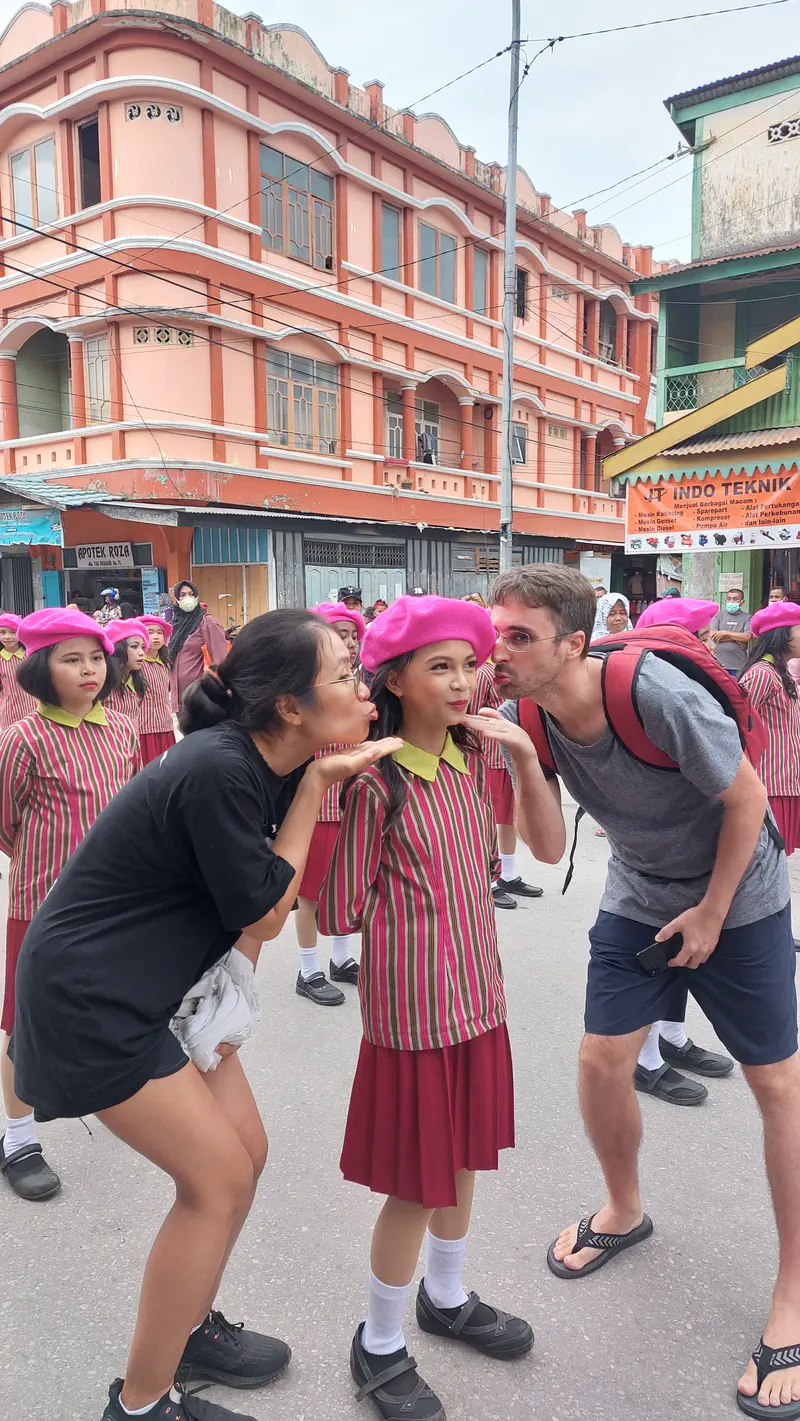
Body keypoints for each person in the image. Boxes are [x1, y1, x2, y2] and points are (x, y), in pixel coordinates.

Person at [9, 608, 401, 1421]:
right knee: (214, 1179)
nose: (360, 688)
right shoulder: (222, 767)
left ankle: (185, 1328)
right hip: (93, 994)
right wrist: (323, 786)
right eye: (343, 675)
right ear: (290, 704)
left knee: (245, 1153)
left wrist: (226, 1021)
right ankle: (144, 1402)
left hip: (162, 988)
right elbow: (262, 911)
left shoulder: (275, 758)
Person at [472, 565, 800, 1419]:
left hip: (743, 894)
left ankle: (794, 1293)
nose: (497, 653)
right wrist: (519, 755)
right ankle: (624, 1206)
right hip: (640, 893)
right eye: (494, 631)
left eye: (519, 637)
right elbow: (545, 851)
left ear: (573, 644)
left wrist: (712, 915)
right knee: (600, 1060)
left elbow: (746, 799)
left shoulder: (651, 694)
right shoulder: (528, 711)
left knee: (776, 1085)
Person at [320, 595, 533, 1421]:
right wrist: (324, 799)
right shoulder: (377, 782)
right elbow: (338, 910)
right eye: (438, 665)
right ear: (395, 678)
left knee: (467, 1155)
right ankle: (377, 1342)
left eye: (467, 663)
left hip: (478, 998)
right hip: (412, 1013)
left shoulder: (468, 763)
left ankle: (445, 1295)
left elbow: (499, 865)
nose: (461, 679)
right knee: (416, 1181)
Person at [0, 608, 139, 1202]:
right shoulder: (23, 738)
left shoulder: (122, 728)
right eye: (70, 658)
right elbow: (5, 822)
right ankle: (17, 1138)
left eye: (94, 657)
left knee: (105, 1005)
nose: (88, 670)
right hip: (43, 904)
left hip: (113, 903)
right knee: (22, 1020)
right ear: (39, 668)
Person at [624, 597, 734, 1105]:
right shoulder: (653, 697)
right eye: (704, 634)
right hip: (655, 861)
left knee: (684, 954)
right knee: (654, 953)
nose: (711, 642)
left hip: (696, 853)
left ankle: (672, 1038)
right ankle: (644, 1061)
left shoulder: (690, 689)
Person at [294, 601, 365, 1007]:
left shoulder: (361, 683)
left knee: (345, 887)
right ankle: (308, 969)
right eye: (340, 634)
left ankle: (341, 959)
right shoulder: (307, 688)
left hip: (355, 802)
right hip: (319, 805)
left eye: (354, 635)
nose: (350, 642)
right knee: (311, 894)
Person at [468, 659, 543, 910]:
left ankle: (507, 874)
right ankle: (486, 881)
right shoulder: (483, 672)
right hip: (489, 755)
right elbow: (471, 712)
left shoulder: (509, 668)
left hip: (508, 754)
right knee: (485, 819)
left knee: (507, 819)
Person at [740, 601, 800, 860]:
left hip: (785, 780)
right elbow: (737, 720)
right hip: (769, 781)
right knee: (762, 856)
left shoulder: (780, 672)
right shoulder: (762, 674)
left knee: (774, 858)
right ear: (783, 635)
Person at [167, 580, 228, 715]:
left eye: (190, 594)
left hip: (198, 693)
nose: (187, 598)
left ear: (196, 597)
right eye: (182, 595)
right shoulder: (174, 624)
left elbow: (220, 658)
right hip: (178, 694)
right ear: (176, 598)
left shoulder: (206, 622)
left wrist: (218, 685)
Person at [139, 616, 176, 766]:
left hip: (164, 725)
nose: (156, 637)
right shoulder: (137, 665)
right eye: (150, 632)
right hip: (143, 727)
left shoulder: (166, 664)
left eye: (159, 633)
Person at [106, 619, 150, 734]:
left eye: (142, 647)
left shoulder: (135, 683)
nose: (142, 652)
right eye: (134, 646)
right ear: (118, 649)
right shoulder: (104, 685)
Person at [0, 612, 36, 731]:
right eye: (2, 632)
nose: (7, 637)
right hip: (8, 711)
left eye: (12, 632)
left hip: (31, 706)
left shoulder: (30, 656)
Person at [709, 586, 752, 676]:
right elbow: (712, 635)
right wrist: (737, 639)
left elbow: (747, 637)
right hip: (718, 663)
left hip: (738, 665)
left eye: (735, 599)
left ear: (742, 602)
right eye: (729, 599)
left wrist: (725, 633)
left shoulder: (747, 617)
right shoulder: (718, 615)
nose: (731, 601)